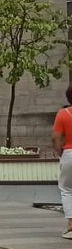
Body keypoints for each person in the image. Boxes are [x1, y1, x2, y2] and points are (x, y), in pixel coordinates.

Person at [55, 84, 72, 239]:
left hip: (69, 153)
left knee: (67, 189)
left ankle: (71, 225)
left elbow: (56, 137)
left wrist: (61, 152)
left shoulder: (63, 113)